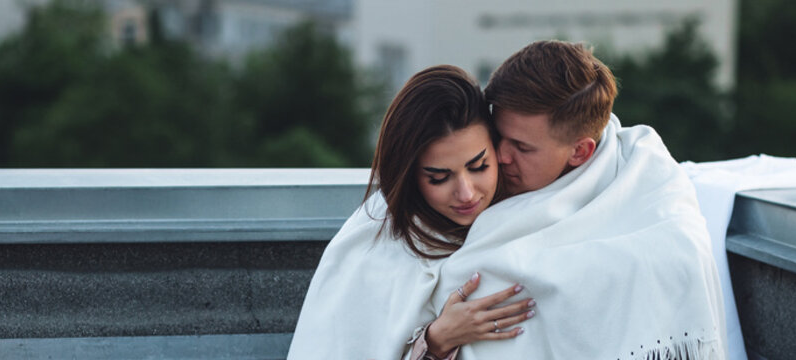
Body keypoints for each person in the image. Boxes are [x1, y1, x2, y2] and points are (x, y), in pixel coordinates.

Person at [426, 40, 727, 358]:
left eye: (522, 147)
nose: (499, 156)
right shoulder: (446, 187)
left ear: (580, 152)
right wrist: (436, 340)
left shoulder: (654, 191)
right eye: (498, 135)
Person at [288, 65, 537, 359]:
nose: (467, 193)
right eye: (439, 177)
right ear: (408, 175)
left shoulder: (530, 205)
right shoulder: (374, 249)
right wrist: (436, 341)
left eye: (479, 166)